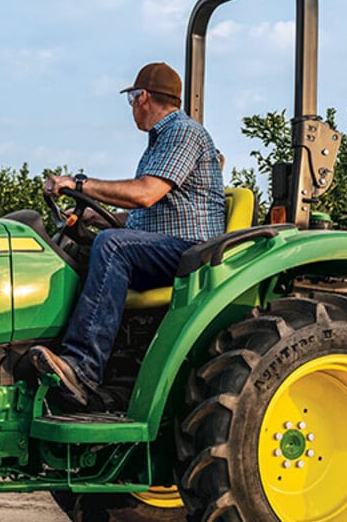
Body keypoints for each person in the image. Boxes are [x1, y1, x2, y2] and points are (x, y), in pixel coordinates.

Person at [28, 62, 225, 409]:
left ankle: (82, 368)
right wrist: (92, 215)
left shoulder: (183, 133)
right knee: (86, 247)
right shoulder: (161, 141)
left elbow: (145, 193)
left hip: (193, 252)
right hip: (164, 245)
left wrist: (78, 184)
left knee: (113, 246)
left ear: (142, 97)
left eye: (132, 99)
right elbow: (143, 213)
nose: (132, 108)